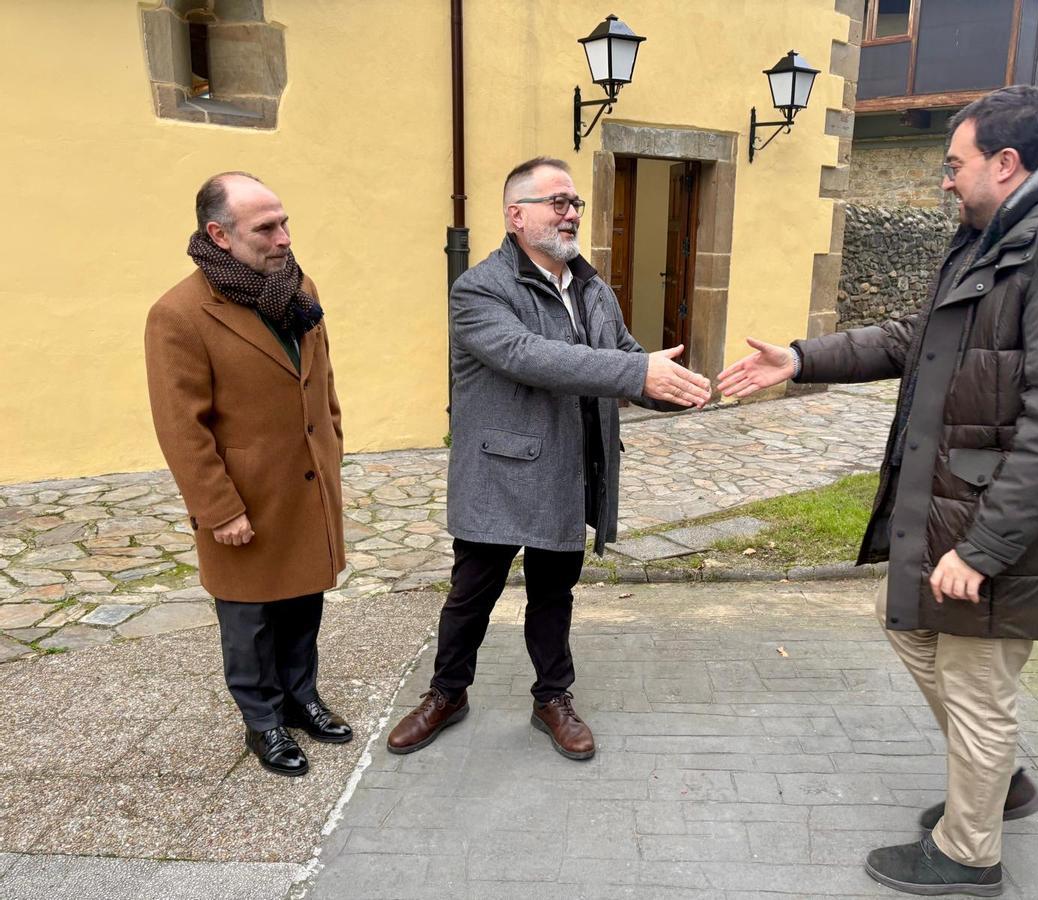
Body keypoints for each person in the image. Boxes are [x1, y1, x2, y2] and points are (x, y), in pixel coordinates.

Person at [717, 86, 1038, 896]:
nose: (946, 181)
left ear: (1006, 162)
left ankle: (968, 854)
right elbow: (912, 337)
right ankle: (998, 784)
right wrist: (799, 358)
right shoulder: (992, 236)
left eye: (955, 165)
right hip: (960, 503)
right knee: (916, 632)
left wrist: (986, 547)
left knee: (975, 675)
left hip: (1012, 521)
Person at [387, 156, 711, 761]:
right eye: (556, 202)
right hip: (500, 473)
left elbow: (625, 360)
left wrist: (678, 389)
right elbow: (529, 357)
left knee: (553, 595)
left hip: (568, 471)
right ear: (516, 216)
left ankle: (551, 698)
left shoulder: (592, 288)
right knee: (471, 596)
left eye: (575, 204)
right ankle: (447, 693)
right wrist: (637, 370)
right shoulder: (480, 288)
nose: (570, 214)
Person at [145, 172, 352, 778]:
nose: (284, 237)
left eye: (284, 222)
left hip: (307, 484)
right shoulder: (179, 315)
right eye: (266, 228)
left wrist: (332, 443)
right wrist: (219, 509)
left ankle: (301, 698)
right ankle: (262, 721)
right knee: (249, 620)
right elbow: (182, 427)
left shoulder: (296, 287)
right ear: (220, 234)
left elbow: (321, 380)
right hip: (245, 499)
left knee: (303, 603)